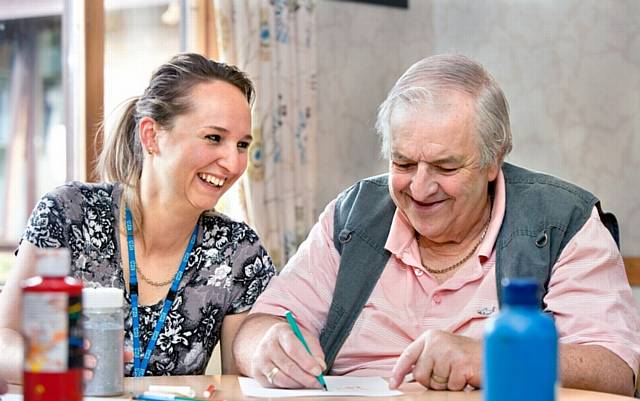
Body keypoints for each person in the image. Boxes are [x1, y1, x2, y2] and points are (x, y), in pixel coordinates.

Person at [233, 54, 640, 396]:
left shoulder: (563, 219)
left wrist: (486, 358)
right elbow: (259, 327)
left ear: (493, 159)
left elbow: (616, 368)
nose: (421, 188)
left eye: (445, 166)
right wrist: (266, 348)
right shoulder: (353, 214)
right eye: (403, 163)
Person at [0, 53, 275, 382]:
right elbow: (4, 338)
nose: (232, 163)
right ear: (151, 135)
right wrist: (49, 360)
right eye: (214, 138)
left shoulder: (238, 250)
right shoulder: (68, 212)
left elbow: (239, 386)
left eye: (242, 145)